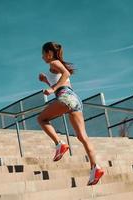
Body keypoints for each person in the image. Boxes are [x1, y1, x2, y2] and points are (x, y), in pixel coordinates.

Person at [37, 42, 104, 186]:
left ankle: (59, 144)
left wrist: (52, 88)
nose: (42, 57)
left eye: (43, 53)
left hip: (66, 97)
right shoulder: (55, 66)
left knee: (41, 119)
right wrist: (46, 81)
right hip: (75, 99)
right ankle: (95, 167)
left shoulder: (54, 62)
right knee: (83, 137)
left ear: (49, 53)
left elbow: (65, 75)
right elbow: (62, 81)